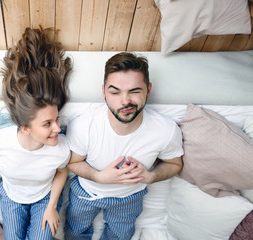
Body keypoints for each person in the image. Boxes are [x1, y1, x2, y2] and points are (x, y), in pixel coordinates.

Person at [65, 52, 184, 239]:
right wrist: (98, 177)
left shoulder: (166, 130)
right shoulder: (83, 125)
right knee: (74, 231)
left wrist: (152, 176)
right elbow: (72, 162)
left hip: (130, 198)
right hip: (86, 192)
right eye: (115, 92)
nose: (125, 101)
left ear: (148, 90)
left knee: (121, 236)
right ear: (104, 92)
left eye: (135, 91)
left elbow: (175, 164)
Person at [0, 27, 72, 239]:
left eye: (57, 119)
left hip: (44, 198)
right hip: (11, 197)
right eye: (47, 124)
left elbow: (62, 171)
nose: (57, 128)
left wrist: (52, 206)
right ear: (25, 127)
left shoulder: (61, 147)